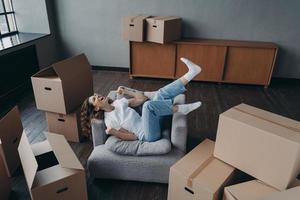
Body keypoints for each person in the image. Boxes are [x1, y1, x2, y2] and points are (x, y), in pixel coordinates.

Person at [81, 58, 202, 142]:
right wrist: (114, 133)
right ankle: (180, 109)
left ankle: (192, 72)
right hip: (147, 135)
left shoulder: (118, 103)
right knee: (147, 106)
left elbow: (142, 98)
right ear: (96, 107)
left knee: (159, 93)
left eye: (96, 95)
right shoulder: (109, 121)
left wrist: (126, 90)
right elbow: (131, 136)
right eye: (94, 99)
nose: (97, 96)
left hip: (152, 122)